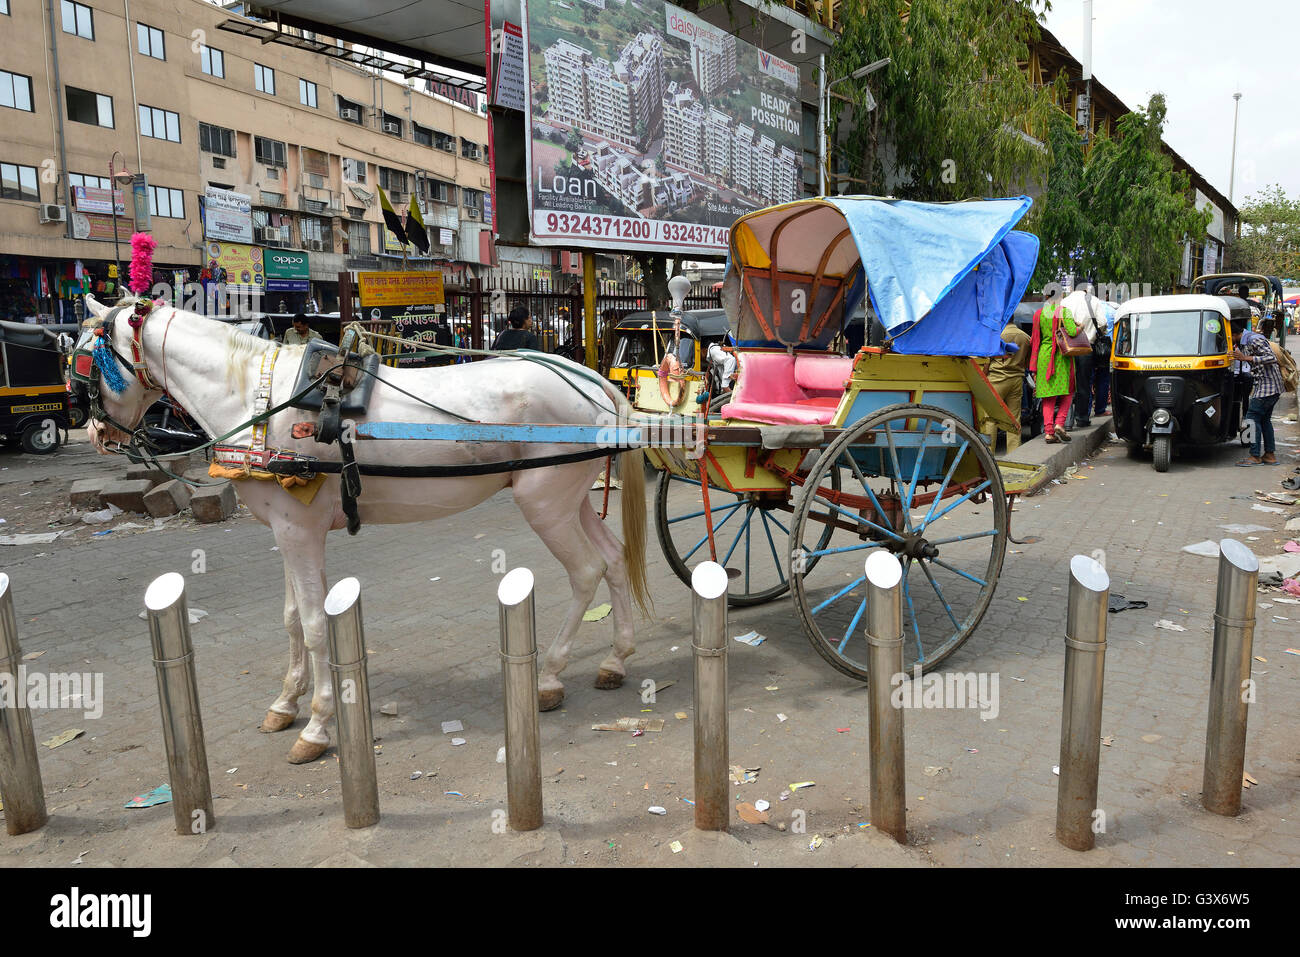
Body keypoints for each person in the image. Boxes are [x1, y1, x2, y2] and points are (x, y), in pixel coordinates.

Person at [1231, 318, 1281, 465]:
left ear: (1234, 334)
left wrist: (1245, 357)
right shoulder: (1246, 341)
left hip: (1268, 386)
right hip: (1268, 385)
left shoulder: (1254, 339)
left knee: (1251, 417)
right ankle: (1269, 456)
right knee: (1264, 420)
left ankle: (1254, 456)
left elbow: (1271, 358)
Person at [1029, 297, 1079, 443]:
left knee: (1048, 397)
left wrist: (1033, 366)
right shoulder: (1064, 312)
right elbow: (1072, 332)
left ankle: (1049, 432)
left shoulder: (1038, 314)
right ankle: (1059, 423)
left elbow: (1034, 340)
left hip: (1043, 357)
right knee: (1068, 391)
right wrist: (1080, 327)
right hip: (1061, 358)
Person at [980, 318, 1031, 452]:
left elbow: (987, 361)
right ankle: (1014, 453)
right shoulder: (1025, 337)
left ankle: (988, 452)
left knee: (990, 417)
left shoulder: (996, 336)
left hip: (996, 380)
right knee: (1014, 418)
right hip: (1016, 380)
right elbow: (1027, 363)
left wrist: (982, 378)